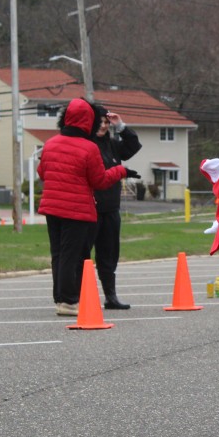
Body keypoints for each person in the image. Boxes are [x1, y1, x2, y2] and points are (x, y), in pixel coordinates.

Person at [37, 98, 134, 316]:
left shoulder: (50, 143)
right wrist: (121, 171)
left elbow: (42, 172)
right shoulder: (89, 148)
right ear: (88, 121)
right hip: (77, 209)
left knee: (57, 254)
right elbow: (99, 180)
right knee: (71, 255)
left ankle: (60, 298)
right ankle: (69, 301)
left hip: (52, 207)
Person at [89, 103, 142, 309]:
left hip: (111, 209)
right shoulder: (86, 145)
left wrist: (120, 125)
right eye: (99, 122)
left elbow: (133, 146)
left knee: (109, 255)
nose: (103, 126)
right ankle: (78, 297)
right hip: (89, 209)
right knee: (83, 255)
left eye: (106, 122)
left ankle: (111, 296)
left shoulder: (112, 145)